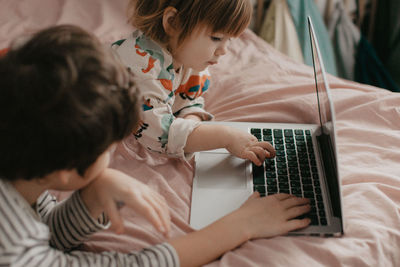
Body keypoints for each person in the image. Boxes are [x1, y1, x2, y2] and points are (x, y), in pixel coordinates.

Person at [0, 25, 311, 267]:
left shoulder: (20, 164)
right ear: (67, 171)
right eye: (107, 149)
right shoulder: (10, 248)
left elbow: (46, 236)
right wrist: (239, 226)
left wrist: (92, 195)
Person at [112, 0, 276, 166]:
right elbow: (161, 135)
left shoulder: (188, 57)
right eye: (216, 38)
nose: (224, 50)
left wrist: (192, 118)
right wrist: (226, 137)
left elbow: (188, 99)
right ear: (173, 22)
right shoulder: (144, 72)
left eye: (230, 40)